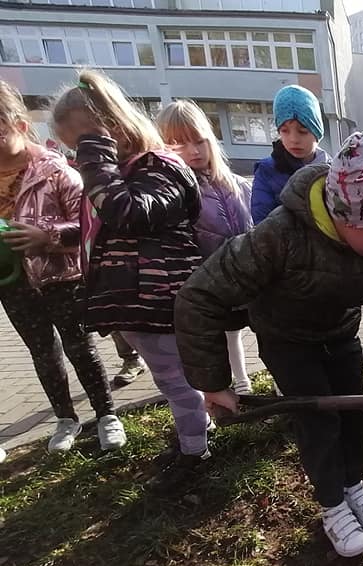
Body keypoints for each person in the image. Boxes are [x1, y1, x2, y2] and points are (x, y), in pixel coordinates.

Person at [175, 130, 363, 558]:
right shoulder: (279, 235)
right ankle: (332, 505)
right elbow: (199, 296)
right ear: (346, 216)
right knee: (318, 423)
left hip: (339, 333)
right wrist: (213, 383)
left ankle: (353, 483)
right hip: (287, 339)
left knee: (355, 414)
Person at [51, 70, 207, 478]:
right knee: (169, 377)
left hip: (159, 297)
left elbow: (128, 215)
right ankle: (195, 432)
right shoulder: (124, 173)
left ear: (111, 130)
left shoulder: (160, 168)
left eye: (83, 146)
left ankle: (195, 450)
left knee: (176, 380)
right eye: (76, 152)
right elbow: (101, 228)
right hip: (138, 300)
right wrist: (57, 236)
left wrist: (96, 158)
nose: (81, 160)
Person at [0, 79, 126, 453]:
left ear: (20, 126)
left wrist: (46, 237)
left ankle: (106, 414)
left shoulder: (55, 172)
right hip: (12, 283)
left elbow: (87, 225)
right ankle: (65, 418)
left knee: (79, 345)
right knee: (42, 350)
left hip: (60, 277)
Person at [157, 99, 254, 394]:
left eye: (199, 140)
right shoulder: (174, 195)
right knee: (221, 334)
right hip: (208, 280)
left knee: (247, 328)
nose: (194, 151)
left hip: (248, 276)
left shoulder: (237, 184)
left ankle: (261, 378)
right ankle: (233, 383)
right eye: (179, 144)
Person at [251, 85, 332, 224]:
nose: (294, 139)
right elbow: (262, 225)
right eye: (285, 130)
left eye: (303, 131)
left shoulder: (333, 170)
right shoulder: (267, 171)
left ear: (317, 132)